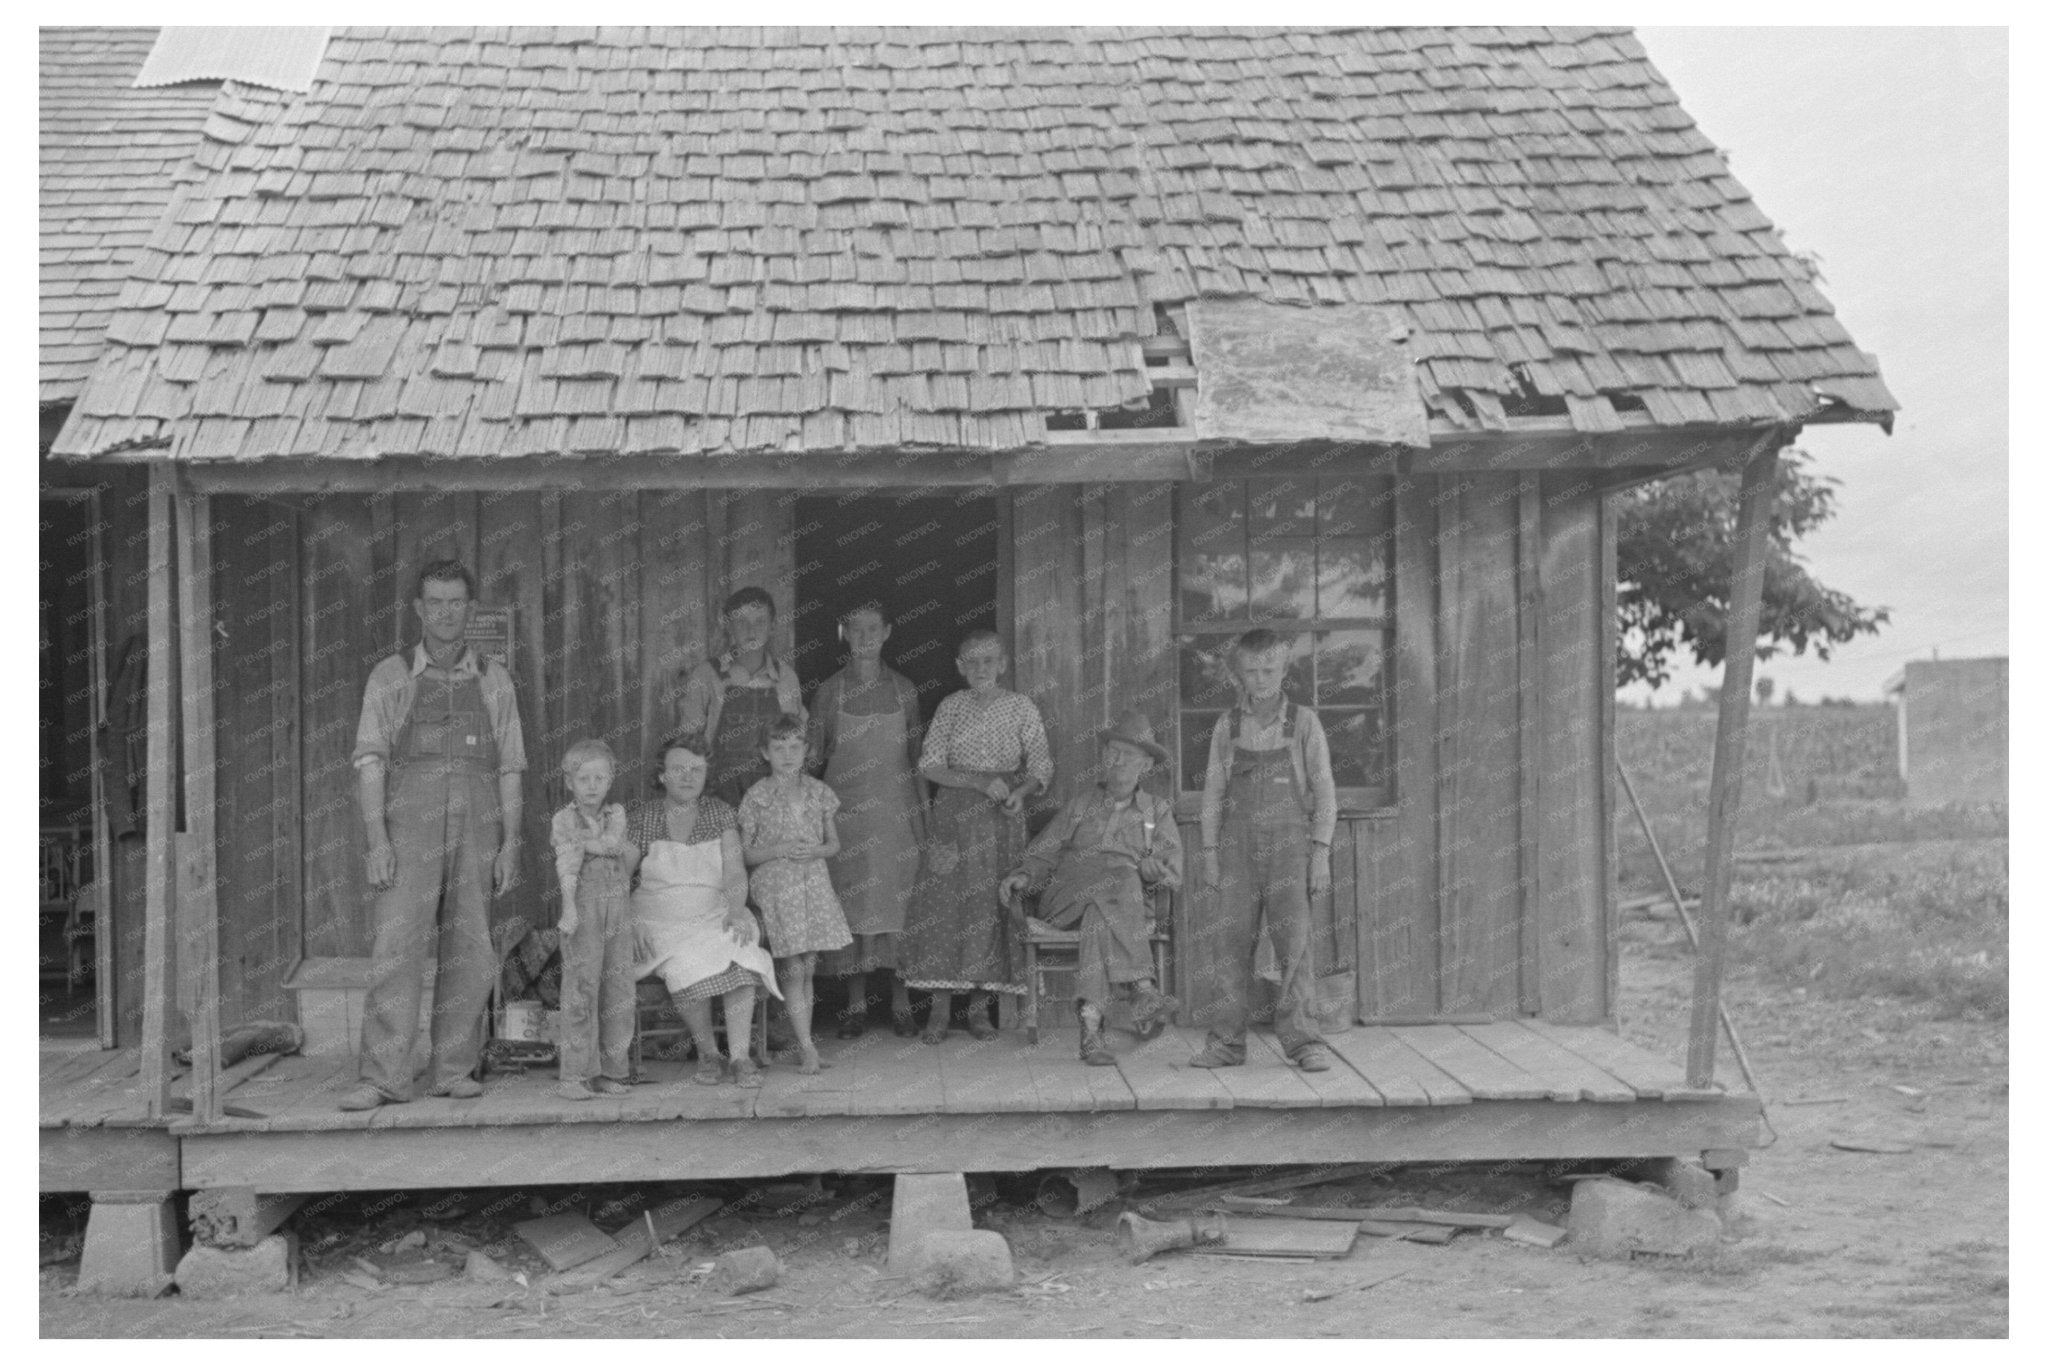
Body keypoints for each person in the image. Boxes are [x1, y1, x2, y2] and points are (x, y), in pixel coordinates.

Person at [339, 561, 527, 1110]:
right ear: (419, 610)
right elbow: (370, 761)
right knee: (396, 948)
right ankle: (383, 1078)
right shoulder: (390, 676)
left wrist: (511, 842)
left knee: (470, 947)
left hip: (478, 822)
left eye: (457, 603)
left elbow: (511, 766)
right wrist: (377, 839)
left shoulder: (495, 678)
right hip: (409, 826)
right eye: (436, 603)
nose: (446, 613)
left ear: (471, 610)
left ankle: (453, 1068)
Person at [1001, 711, 1183, 1066]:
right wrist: (1023, 876)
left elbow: (1172, 872)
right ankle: (1143, 987)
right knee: (1118, 874)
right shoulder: (1080, 804)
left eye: (1128, 754)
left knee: (1099, 920)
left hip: (1118, 908)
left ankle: (1091, 1031)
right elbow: (1043, 853)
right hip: (1066, 899)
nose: (1116, 760)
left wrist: (1154, 872)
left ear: (1145, 765)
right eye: (1112, 752)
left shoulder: (1156, 811)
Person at [1190, 629, 1335, 1072]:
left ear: (1284, 669)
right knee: (1230, 945)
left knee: (1294, 943)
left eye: (1269, 669)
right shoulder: (1227, 726)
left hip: (1291, 847)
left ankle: (1303, 1041)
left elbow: (1325, 791)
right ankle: (1227, 1043)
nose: (1261, 678)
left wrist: (1320, 852)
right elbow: (1213, 795)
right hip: (1235, 848)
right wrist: (1211, 854)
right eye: (1251, 671)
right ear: (1239, 674)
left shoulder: (1304, 722)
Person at [901, 629, 1051, 1043]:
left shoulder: (1021, 707)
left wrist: (1020, 793)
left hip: (1001, 819)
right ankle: (939, 1011)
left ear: (1003, 664)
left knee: (991, 905)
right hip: (954, 815)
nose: (981, 668)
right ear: (960, 667)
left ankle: (980, 1011)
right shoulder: (952, 706)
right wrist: (978, 782)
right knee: (946, 907)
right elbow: (930, 766)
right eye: (972, 661)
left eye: (989, 660)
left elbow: (1041, 766)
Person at [630, 732, 781, 1088]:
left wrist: (737, 908)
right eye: (678, 768)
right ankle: (710, 1053)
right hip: (658, 921)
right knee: (685, 964)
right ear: (662, 775)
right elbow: (618, 877)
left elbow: (733, 871)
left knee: (741, 949)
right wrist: (630, 921)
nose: (687, 776)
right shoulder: (643, 817)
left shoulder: (720, 813)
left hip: (714, 913)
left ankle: (741, 1058)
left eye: (696, 769)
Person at [807, 602, 925, 1039]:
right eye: (855, 630)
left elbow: (917, 761)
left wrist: (923, 823)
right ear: (844, 634)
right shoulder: (830, 692)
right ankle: (855, 1006)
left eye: (873, 628)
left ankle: (900, 1004)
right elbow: (814, 759)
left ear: (888, 631)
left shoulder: (905, 690)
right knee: (853, 909)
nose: (864, 637)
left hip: (896, 815)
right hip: (847, 819)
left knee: (898, 908)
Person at [740, 716, 852, 1075]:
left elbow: (834, 844)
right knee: (792, 964)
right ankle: (806, 1047)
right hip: (777, 884)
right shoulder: (757, 795)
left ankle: (804, 1042)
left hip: (813, 882)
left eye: (794, 747)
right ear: (764, 752)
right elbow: (745, 854)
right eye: (778, 748)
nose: (787, 754)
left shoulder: (819, 792)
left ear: (806, 751)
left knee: (808, 966)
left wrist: (815, 851)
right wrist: (780, 848)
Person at [549, 738, 640, 1101]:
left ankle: (610, 1070)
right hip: (582, 908)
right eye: (583, 778)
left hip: (617, 908)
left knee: (618, 988)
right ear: (569, 782)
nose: (591, 786)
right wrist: (569, 908)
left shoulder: (615, 814)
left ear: (610, 780)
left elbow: (614, 845)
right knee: (581, 989)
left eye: (599, 778)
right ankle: (574, 1075)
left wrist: (584, 844)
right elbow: (566, 866)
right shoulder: (562, 819)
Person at [673, 587, 806, 809]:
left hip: (774, 802)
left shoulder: (786, 678)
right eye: (741, 621)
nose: (750, 629)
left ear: (772, 626)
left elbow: (797, 743)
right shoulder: (707, 675)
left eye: (760, 621)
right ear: (728, 626)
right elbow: (688, 743)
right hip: (718, 798)